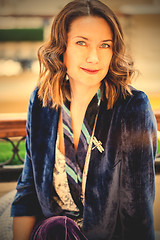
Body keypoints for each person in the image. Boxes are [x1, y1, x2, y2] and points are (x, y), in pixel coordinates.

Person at [11, 0, 157, 239]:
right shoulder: (42, 101)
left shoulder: (132, 107)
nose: (93, 57)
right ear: (61, 48)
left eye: (104, 45)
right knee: (58, 228)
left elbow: (137, 209)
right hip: (51, 234)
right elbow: (28, 192)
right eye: (81, 42)